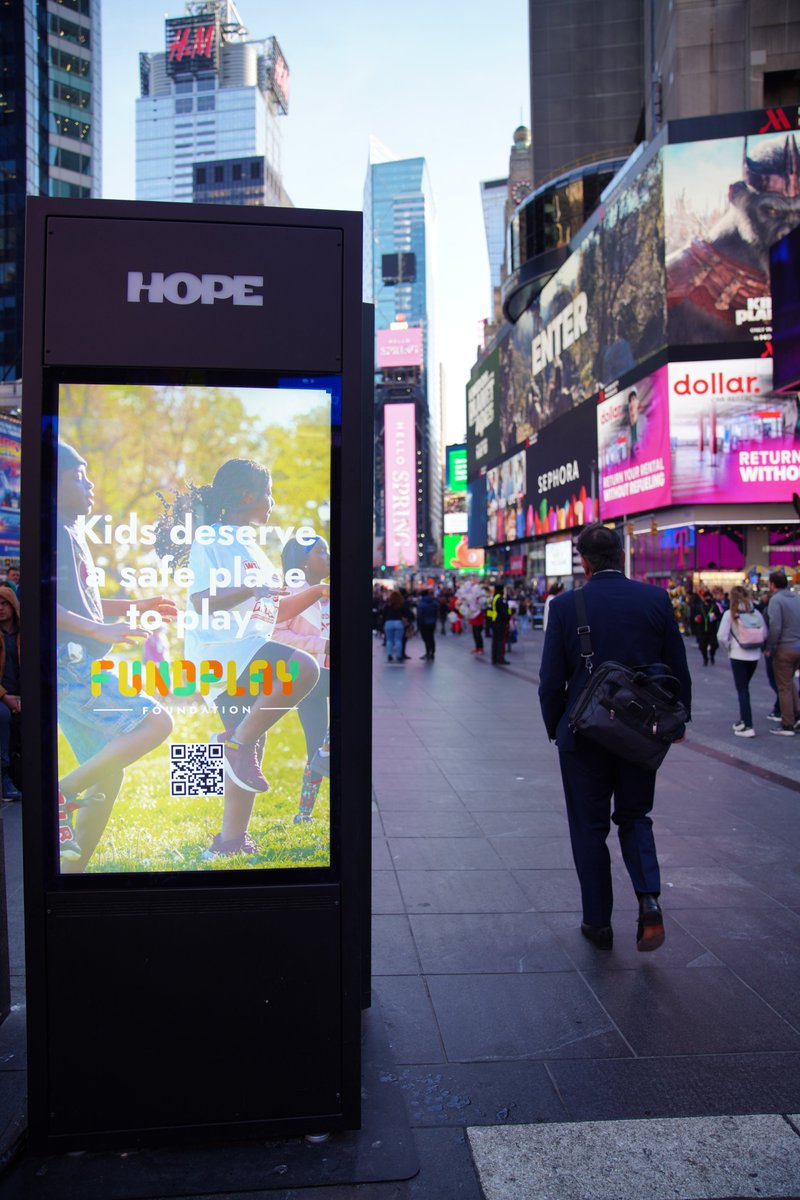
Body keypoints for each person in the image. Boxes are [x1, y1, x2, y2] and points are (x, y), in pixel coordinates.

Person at [155, 458, 328, 856]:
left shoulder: (250, 543)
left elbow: (272, 612)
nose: (272, 502)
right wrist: (254, 589)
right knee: (303, 669)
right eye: (268, 493)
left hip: (246, 647)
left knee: (251, 746)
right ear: (248, 495)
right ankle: (235, 744)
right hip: (222, 653)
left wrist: (315, 593)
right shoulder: (212, 538)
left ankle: (229, 842)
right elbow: (201, 602)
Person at [539, 523, 691, 953]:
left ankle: (598, 922)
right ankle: (648, 901)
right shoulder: (655, 599)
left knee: (589, 830)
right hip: (641, 734)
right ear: (622, 555)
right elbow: (677, 669)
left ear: (583, 561)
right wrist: (678, 724)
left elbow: (551, 681)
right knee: (636, 817)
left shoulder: (567, 606)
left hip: (584, 735)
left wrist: (557, 727)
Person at [56, 441, 177, 871]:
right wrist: (98, 630)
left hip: (75, 663)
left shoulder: (72, 531)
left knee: (107, 771)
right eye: (76, 475)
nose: (89, 483)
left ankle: (70, 875)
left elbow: (82, 604)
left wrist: (133, 607)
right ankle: (60, 794)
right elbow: (41, 600)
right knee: (157, 720)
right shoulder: (52, 528)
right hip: (67, 665)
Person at [275, 536, 331, 823]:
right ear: (304, 561)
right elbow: (275, 633)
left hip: (334, 673)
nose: (328, 555)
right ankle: (305, 812)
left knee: (323, 745)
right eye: (320, 551)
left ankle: (306, 813)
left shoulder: (332, 590)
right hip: (312, 676)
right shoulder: (292, 592)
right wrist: (322, 644)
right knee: (317, 746)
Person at [717, 585, 767, 738]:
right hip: (754, 655)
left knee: (742, 690)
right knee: (745, 688)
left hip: (738, 655)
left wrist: (729, 647)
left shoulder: (730, 614)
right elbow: (764, 633)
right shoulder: (755, 612)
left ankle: (748, 725)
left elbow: (721, 636)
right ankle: (743, 720)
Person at [765, 571, 800, 736]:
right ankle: (797, 713)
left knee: (784, 686)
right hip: (798, 646)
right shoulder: (797, 598)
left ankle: (787, 723)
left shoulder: (776, 600)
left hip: (785, 648)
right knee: (790, 682)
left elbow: (775, 627)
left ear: (772, 584)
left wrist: (770, 647)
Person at [0, 585, 21, 800]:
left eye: (4, 603)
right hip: (2, 696)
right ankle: (5, 776)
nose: (0, 609)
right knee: (3, 716)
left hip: (22, 694)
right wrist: (5, 697)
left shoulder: (24, 632)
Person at [690, 587, 721, 666]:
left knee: (714, 645)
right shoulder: (699, 607)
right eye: (706, 597)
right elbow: (693, 616)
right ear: (703, 598)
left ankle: (712, 655)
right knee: (702, 646)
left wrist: (716, 618)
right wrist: (696, 619)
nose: (708, 598)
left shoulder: (714, 607)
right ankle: (705, 658)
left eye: (709, 597)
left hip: (712, 629)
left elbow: (720, 616)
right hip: (702, 629)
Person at [382, 590, 407, 663]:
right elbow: (407, 613)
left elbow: (383, 614)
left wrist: (382, 623)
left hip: (388, 623)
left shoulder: (388, 605)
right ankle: (399, 655)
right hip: (398, 623)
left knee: (389, 640)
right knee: (398, 640)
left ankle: (389, 655)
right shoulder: (401, 605)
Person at [489, 585, 510, 665]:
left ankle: (494, 658)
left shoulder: (494, 598)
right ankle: (500, 658)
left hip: (494, 621)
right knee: (501, 641)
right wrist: (508, 618)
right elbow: (504, 613)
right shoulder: (501, 599)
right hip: (500, 622)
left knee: (495, 640)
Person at [416, 589, 438, 661]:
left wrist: (418, 625)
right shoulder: (434, 603)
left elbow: (419, 615)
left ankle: (428, 653)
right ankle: (432, 653)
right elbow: (436, 613)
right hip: (432, 622)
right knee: (431, 637)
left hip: (424, 623)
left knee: (426, 638)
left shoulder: (421, 604)